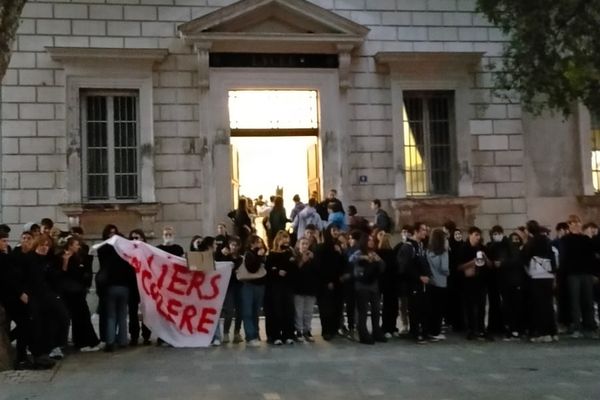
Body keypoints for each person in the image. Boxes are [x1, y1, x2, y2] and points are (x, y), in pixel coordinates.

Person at [24, 235, 70, 361]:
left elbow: (56, 277)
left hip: (48, 293)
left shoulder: (48, 260)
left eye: (47, 245)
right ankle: (39, 349)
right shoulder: (29, 258)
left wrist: (65, 262)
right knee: (39, 322)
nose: (45, 248)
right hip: (34, 295)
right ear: (37, 245)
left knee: (62, 317)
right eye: (42, 245)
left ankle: (56, 345)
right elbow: (24, 278)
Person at [55, 237, 100, 352]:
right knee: (81, 316)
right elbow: (63, 273)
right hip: (71, 291)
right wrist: (66, 261)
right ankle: (85, 342)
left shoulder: (78, 257)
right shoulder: (63, 257)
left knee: (80, 316)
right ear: (69, 245)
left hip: (76, 290)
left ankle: (82, 341)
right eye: (76, 244)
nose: (78, 247)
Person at [559, 214, 598, 338]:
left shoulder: (586, 239)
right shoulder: (565, 240)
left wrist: (594, 273)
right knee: (574, 302)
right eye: (572, 223)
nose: (575, 225)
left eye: (577, 222)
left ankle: (590, 327)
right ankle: (576, 327)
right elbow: (563, 259)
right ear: (569, 226)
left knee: (588, 301)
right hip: (572, 274)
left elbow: (592, 257)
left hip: (586, 273)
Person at [97, 225, 133, 352]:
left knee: (111, 316)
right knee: (122, 315)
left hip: (111, 287)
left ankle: (110, 341)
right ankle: (123, 340)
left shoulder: (104, 251)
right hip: (124, 287)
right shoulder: (124, 254)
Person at [522, 220, 558, 342]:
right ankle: (552, 332)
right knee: (548, 304)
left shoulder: (531, 242)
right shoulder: (546, 240)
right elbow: (553, 257)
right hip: (548, 275)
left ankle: (542, 333)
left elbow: (525, 257)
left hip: (536, 275)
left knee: (538, 305)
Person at [398, 222, 431, 344]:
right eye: (422, 230)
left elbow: (423, 262)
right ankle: (416, 333)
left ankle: (424, 332)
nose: (425, 232)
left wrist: (427, 275)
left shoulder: (420, 245)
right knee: (415, 309)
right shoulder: (408, 247)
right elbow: (405, 267)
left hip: (422, 283)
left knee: (423, 308)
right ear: (416, 231)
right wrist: (419, 277)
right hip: (413, 283)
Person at [349, 233, 386, 344]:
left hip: (373, 285)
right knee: (363, 311)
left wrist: (378, 260)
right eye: (369, 240)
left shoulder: (374, 253)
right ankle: (363, 334)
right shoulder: (359, 252)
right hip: (362, 285)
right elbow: (350, 260)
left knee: (376, 309)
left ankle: (376, 331)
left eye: (372, 240)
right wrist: (363, 257)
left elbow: (383, 266)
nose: (371, 242)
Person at [457, 226, 491, 341]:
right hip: (468, 282)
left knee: (482, 306)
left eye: (479, 235)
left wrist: (485, 259)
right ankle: (471, 330)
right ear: (470, 235)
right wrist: (473, 262)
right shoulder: (463, 248)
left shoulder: (482, 248)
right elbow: (459, 267)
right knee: (470, 307)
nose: (478, 237)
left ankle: (481, 329)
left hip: (482, 282)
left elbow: (490, 266)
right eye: (476, 235)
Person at [264, 231, 296, 345]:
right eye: (283, 239)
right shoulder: (271, 254)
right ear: (278, 240)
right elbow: (268, 269)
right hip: (275, 286)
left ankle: (288, 334)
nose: (286, 241)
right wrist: (277, 271)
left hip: (288, 285)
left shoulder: (290, 253)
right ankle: (276, 335)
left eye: (287, 239)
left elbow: (294, 268)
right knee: (277, 310)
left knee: (289, 310)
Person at [315, 225, 345, 340]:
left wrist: (340, 252)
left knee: (337, 307)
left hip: (338, 283)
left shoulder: (338, 247)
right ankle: (326, 330)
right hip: (325, 283)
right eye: (334, 230)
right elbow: (321, 266)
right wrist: (328, 281)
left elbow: (342, 264)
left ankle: (335, 329)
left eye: (338, 230)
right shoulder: (322, 248)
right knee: (326, 308)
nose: (336, 232)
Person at [240, 235, 267, 347]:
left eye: (260, 242)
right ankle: (250, 335)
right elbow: (252, 268)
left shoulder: (262, 254)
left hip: (260, 286)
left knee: (256, 311)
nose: (259, 244)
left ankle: (255, 333)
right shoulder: (249, 254)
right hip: (249, 285)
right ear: (251, 244)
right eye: (257, 242)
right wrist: (259, 257)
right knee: (248, 311)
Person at [498, 233, 526, 340]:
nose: (515, 241)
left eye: (517, 239)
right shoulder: (510, 251)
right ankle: (513, 328)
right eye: (513, 239)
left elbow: (506, 263)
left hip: (516, 282)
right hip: (509, 283)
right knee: (509, 307)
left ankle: (516, 329)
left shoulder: (518, 251)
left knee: (516, 307)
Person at [127, 229, 152, 345]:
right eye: (132, 238)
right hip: (132, 285)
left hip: (145, 285)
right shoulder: (128, 252)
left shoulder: (148, 251)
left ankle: (146, 335)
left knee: (146, 311)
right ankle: (134, 336)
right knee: (132, 312)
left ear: (142, 238)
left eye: (137, 238)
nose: (134, 240)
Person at [291, 237, 318, 342]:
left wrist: (313, 259)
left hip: (310, 288)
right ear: (298, 245)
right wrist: (302, 260)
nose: (305, 246)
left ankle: (307, 330)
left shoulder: (313, 257)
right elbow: (294, 272)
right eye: (303, 244)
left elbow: (317, 271)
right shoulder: (295, 257)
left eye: (307, 244)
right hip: (298, 288)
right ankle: (298, 331)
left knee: (309, 312)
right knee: (298, 311)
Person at [218, 237, 244, 344]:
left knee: (240, 310)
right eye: (232, 245)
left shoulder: (241, 259)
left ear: (238, 247)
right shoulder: (224, 257)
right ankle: (225, 332)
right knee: (228, 310)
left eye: (235, 245)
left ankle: (237, 332)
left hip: (239, 286)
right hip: (228, 286)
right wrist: (221, 254)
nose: (233, 247)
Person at [426, 228, 450, 341]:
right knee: (439, 309)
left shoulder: (428, 251)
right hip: (441, 282)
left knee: (431, 308)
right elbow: (444, 268)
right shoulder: (443, 252)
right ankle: (436, 332)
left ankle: (430, 330)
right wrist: (448, 272)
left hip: (431, 282)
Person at [484, 226, 507, 335]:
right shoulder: (490, 246)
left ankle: (501, 324)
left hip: (502, 277)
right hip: (492, 278)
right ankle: (494, 326)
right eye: (494, 234)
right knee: (494, 303)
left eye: (498, 233)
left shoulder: (506, 245)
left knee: (503, 302)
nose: (496, 236)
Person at [377, 231, 399, 339]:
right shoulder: (391, 254)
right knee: (391, 306)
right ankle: (390, 327)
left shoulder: (379, 253)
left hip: (384, 283)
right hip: (392, 283)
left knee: (387, 306)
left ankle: (388, 327)